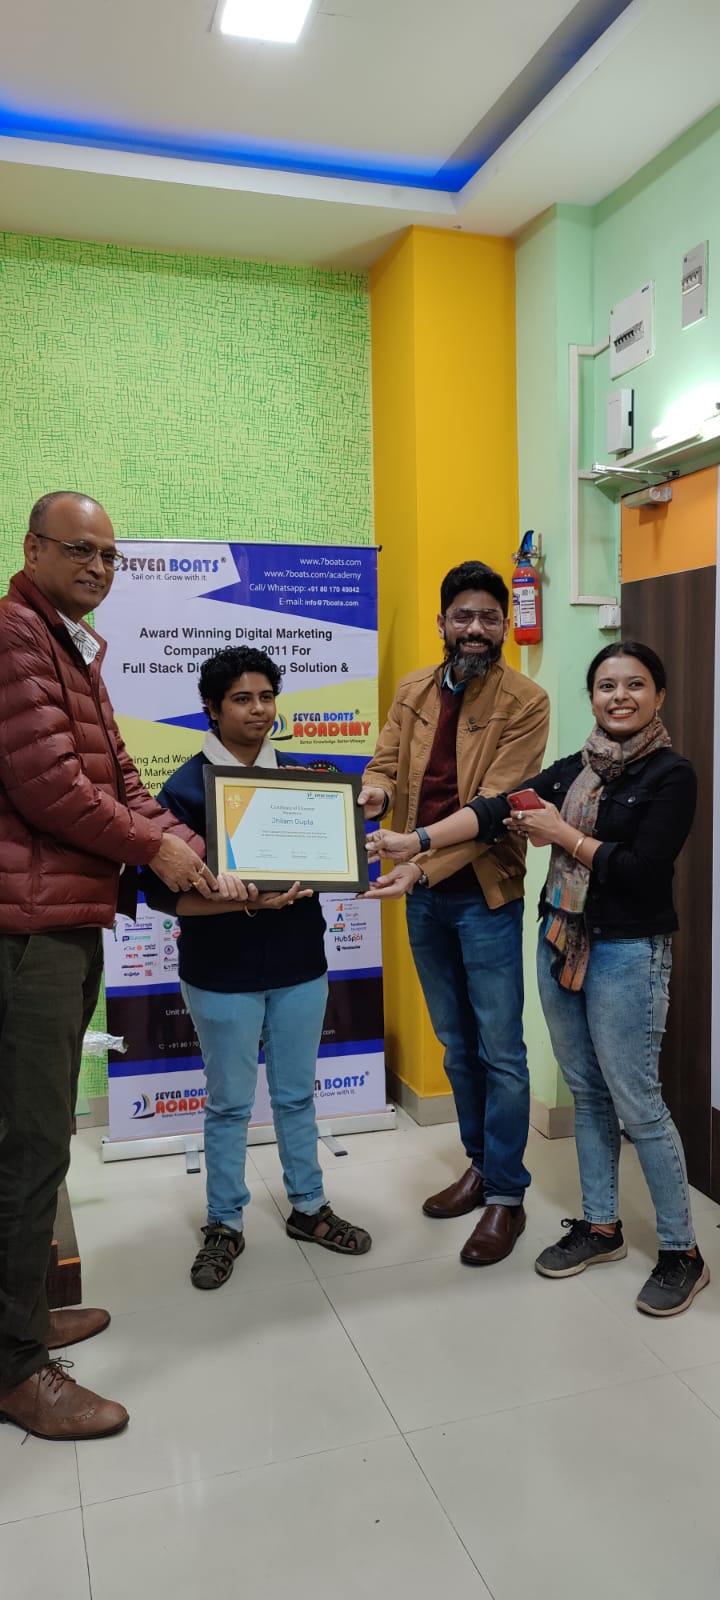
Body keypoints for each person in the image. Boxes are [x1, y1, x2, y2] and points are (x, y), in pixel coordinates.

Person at [368, 641, 708, 1316]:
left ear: (659, 696)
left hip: (627, 951)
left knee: (638, 1102)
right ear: (593, 697)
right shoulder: (575, 768)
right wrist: (418, 843)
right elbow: (494, 809)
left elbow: (642, 871)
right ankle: (601, 1228)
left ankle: (682, 1252)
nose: (619, 697)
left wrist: (563, 835)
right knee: (587, 1092)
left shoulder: (673, 775)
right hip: (560, 941)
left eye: (634, 685)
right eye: (607, 685)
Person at [0, 492, 222, 1443]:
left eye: (110, 556)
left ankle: (21, 1318)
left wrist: (203, 853)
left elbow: (121, 781)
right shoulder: (15, 636)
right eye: (79, 550)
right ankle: (15, 1368)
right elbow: (49, 786)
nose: (97, 568)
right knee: (29, 1146)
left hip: (63, 917)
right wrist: (156, 850)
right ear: (33, 549)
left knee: (37, 1142)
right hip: (28, 930)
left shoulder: (71, 645)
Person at [143, 646, 371, 1289]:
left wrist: (352, 844)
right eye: (242, 699)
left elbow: (332, 861)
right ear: (212, 709)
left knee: (297, 1095)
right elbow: (161, 894)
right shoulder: (184, 789)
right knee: (228, 1104)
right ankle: (224, 1223)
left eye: (267, 696)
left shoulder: (305, 779)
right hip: (221, 970)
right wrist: (234, 901)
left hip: (300, 963)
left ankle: (309, 1207)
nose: (258, 710)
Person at [358, 561, 549, 1267]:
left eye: (489, 617)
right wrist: (374, 797)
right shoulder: (413, 689)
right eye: (463, 616)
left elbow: (496, 810)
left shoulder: (526, 701)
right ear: (442, 623)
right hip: (424, 895)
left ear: (503, 626)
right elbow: (384, 766)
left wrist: (417, 857)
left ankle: (507, 1196)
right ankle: (479, 1164)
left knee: (501, 1049)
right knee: (456, 1043)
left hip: (485, 893)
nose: (475, 629)